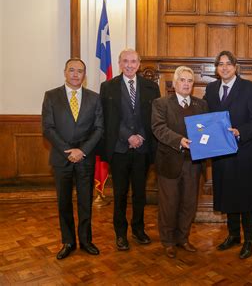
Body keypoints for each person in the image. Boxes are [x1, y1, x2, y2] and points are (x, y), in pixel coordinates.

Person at [204, 50, 252, 259]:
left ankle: (249, 240)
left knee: (245, 198)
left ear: (235, 66)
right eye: (220, 64)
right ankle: (233, 235)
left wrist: (241, 132)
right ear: (217, 68)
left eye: (228, 63)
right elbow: (206, 119)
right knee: (227, 195)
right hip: (221, 155)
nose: (225, 67)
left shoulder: (249, 88)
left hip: (242, 152)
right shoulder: (211, 90)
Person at [42, 58, 103, 260]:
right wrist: (69, 150)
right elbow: (48, 128)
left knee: (85, 202)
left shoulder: (94, 98)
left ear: (84, 75)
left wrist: (82, 150)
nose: (76, 74)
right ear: (65, 72)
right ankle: (68, 241)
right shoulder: (51, 96)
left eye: (80, 71)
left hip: (85, 159)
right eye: (72, 70)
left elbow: (99, 128)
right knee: (64, 203)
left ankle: (86, 241)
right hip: (62, 158)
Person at [100, 49, 160, 251]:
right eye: (125, 61)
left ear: (139, 64)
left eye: (133, 61)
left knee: (140, 194)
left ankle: (138, 229)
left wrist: (141, 136)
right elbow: (108, 119)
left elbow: (154, 118)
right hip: (119, 150)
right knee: (120, 194)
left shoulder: (151, 87)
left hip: (143, 149)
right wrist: (128, 136)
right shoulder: (108, 87)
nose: (129, 65)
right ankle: (120, 234)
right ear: (119, 63)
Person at [151, 66, 208, 258]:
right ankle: (168, 241)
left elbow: (206, 132)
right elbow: (158, 128)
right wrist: (179, 141)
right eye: (182, 80)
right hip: (169, 162)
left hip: (194, 164)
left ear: (193, 84)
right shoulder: (161, 104)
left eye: (189, 81)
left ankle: (183, 238)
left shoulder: (202, 105)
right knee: (169, 204)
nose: (186, 84)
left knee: (188, 204)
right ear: (175, 83)